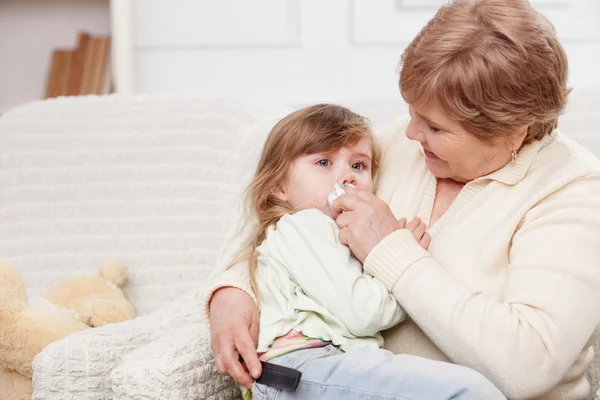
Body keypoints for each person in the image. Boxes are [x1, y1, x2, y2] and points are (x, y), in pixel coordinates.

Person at [204, 1, 600, 399]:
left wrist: (390, 252)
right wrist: (233, 291)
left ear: (512, 132)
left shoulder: (572, 190)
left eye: (434, 126)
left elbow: (527, 367)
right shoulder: (401, 145)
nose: (411, 132)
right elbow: (283, 222)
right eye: (411, 112)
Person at [232, 103, 503, 399]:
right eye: (324, 162)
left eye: (358, 165)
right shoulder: (304, 225)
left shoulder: (338, 233)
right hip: (303, 364)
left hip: (322, 364)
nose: (346, 177)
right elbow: (362, 314)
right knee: (468, 390)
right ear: (278, 187)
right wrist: (402, 260)